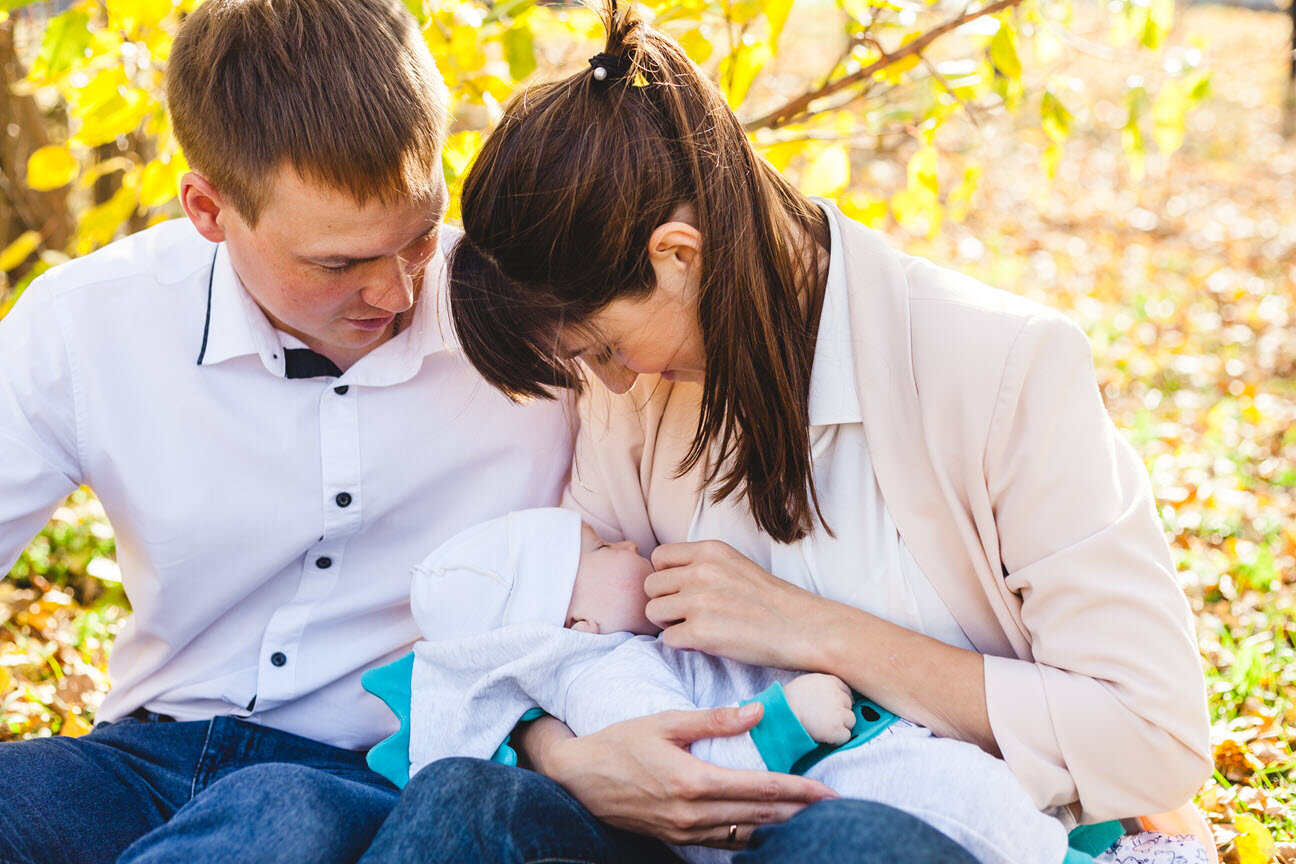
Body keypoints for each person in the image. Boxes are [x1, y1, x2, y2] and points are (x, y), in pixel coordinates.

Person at [392, 0, 1214, 860]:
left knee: (841, 844)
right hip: (698, 836)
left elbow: (1153, 736)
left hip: (939, 825)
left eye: (603, 346)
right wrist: (572, 761)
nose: (608, 381)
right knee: (464, 802)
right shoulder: (636, 395)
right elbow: (567, 644)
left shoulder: (1001, 368)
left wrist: (812, 630)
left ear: (678, 254)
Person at [0, 1, 577, 862]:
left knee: (274, 820)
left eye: (418, 237)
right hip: (147, 760)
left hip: (395, 773)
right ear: (209, 209)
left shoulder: (545, 334)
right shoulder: (90, 323)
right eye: (338, 264)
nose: (396, 293)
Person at [384, 506, 1073, 864]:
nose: (627, 546)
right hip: (803, 806)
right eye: (600, 550)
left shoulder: (625, 651)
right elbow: (686, 770)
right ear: (574, 619)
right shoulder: (601, 672)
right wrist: (785, 720)